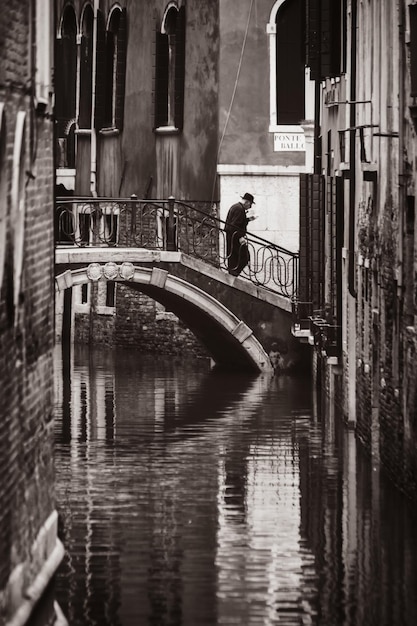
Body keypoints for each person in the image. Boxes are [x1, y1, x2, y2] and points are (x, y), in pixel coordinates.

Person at [224, 192, 257, 276]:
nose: (250, 207)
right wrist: (240, 237)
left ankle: (233, 275)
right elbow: (234, 226)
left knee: (234, 260)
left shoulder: (236, 207)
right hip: (235, 239)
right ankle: (233, 276)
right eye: (250, 205)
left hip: (232, 237)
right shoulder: (239, 209)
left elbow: (236, 223)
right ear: (247, 202)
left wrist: (248, 220)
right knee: (244, 257)